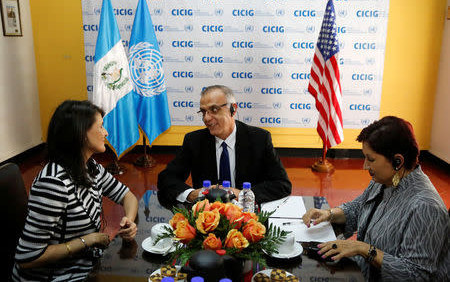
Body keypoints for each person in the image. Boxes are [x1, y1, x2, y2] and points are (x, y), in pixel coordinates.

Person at [302, 116, 449, 281]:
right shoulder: (386, 180)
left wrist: (364, 249)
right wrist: (328, 213)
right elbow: (359, 207)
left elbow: (415, 275)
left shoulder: (426, 207)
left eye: (371, 159)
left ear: (397, 161)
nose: (365, 166)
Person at [12, 100, 139, 281]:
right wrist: (88, 240)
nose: (106, 133)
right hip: (55, 276)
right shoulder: (53, 183)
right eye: (101, 127)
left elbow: (127, 196)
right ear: (81, 134)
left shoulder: (90, 166)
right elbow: (28, 257)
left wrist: (129, 221)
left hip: (83, 266)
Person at [157, 85, 291, 205]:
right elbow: (166, 178)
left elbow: (282, 184)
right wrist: (192, 194)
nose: (207, 118)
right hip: (208, 219)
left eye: (214, 110)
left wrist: (242, 194)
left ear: (233, 109)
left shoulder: (259, 139)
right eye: (203, 112)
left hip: (248, 216)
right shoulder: (194, 141)